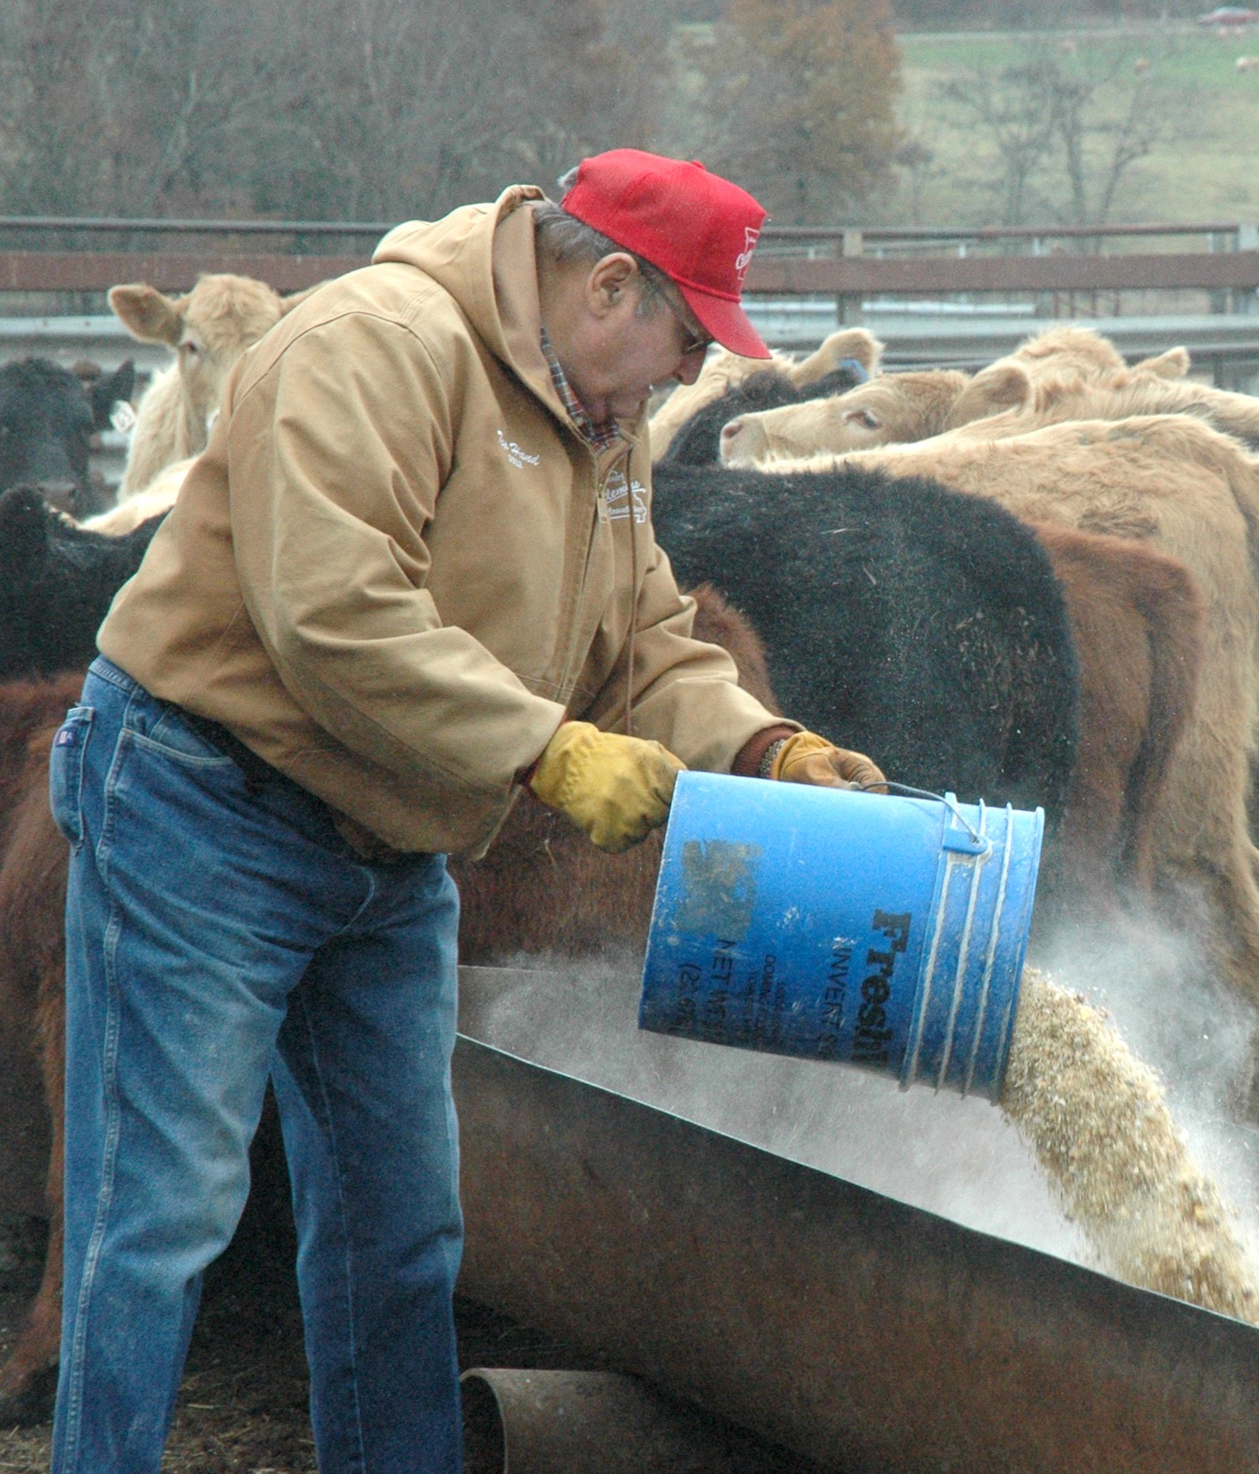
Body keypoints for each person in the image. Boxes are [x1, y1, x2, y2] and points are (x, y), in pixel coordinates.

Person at [46, 149, 882, 1474]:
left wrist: (766, 746)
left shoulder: (600, 428)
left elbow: (646, 640)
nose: (687, 375)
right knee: (159, 1213)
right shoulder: (378, 346)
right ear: (609, 283)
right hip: (205, 801)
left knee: (404, 1223)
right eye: (686, 336)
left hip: (390, 840)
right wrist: (546, 750)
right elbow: (333, 614)